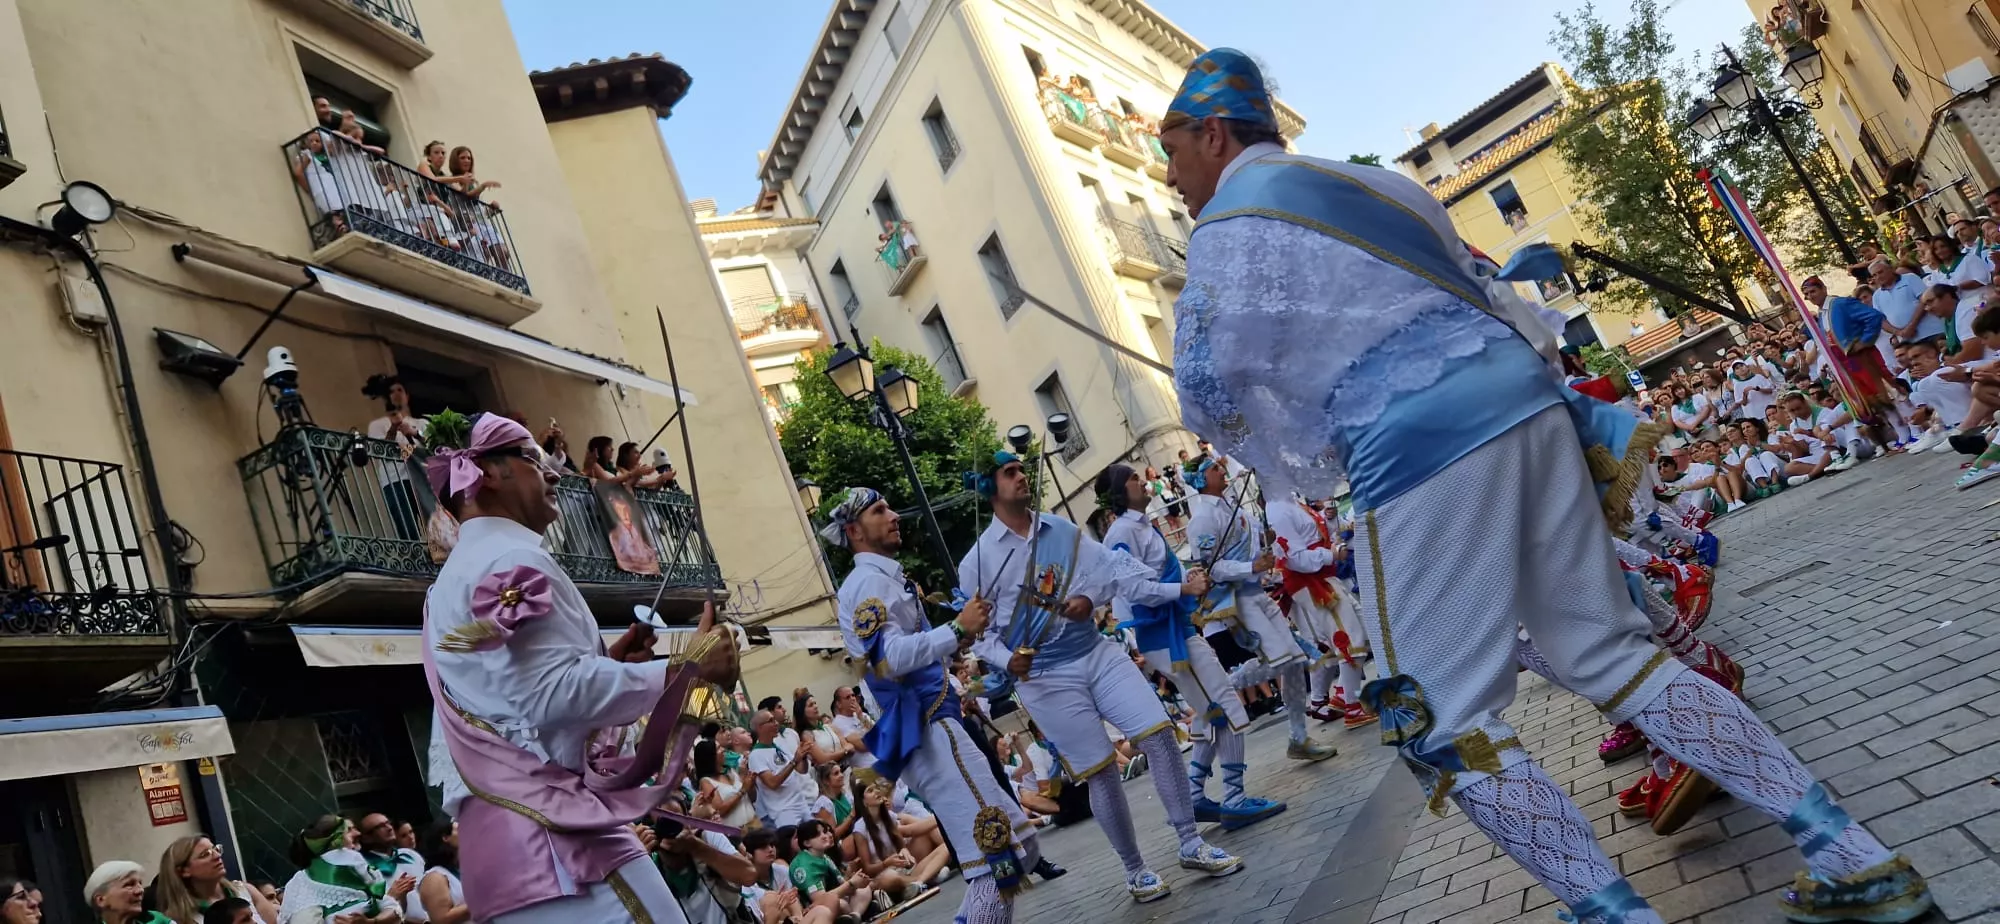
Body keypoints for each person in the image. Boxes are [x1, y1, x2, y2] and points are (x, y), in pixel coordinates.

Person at [1157, 47, 1928, 924]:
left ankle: (1611, 912)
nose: (1174, 178)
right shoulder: (1381, 188)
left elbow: (1212, 392)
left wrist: (1287, 410)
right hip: (1525, 402)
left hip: (1418, 453)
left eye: (1174, 153)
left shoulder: (1225, 230)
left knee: (1438, 720)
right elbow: (1485, 292)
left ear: (1215, 134)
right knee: (1613, 654)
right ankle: (1852, 855)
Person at [420, 411, 738, 923]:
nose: (554, 472)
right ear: (491, 474)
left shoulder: (448, 584)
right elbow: (548, 696)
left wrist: (608, 662)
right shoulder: (508, 562)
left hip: (504, 853)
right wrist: (685, 668)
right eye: (533, 457)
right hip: (558, 845)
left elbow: (510, 699)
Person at [957, 453, 1242, 904]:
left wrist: (1090, 598)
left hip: (1095, 651)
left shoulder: (1064, 532)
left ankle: (1190, 842)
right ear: (989, 489)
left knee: (1159, 733)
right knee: (1101, 773)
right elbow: (982, 635)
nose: (1020, 476)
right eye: (1009, 472)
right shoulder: (976, 562)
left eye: (1020, 469)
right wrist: (1007, 660)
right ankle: (1135, 869)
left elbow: (1111, 574)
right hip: (1045, 678)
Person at [821, 485, 1041, 923]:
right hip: (927, 729)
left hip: (938, 724)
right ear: (854, 531)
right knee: (995, 853)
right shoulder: (866, 583)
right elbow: (890, 658)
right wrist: (957, 630)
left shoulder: (883, 578)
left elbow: (908, 652)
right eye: (880, 510)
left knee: (1018, 844)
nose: (894, 515)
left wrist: (959, 635)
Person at [1094, 463, 1287, 832]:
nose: (1142, 481)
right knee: (1225, 705)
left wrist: (1190, 578)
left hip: (1174, 630)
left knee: (1207, 711)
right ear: (1121, 492)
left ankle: (1196, 795)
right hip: (1162, 635)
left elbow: (1159, 575)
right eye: (1134, 478)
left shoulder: (1139, 527)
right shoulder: (1120, 533)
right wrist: (1183, 589)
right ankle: (1233, 798)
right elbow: (1135, 590)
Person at [1182, 457, 1341, 760]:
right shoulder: (1202, 518)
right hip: (1237, 600)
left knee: (1294, 662)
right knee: (1282, 659)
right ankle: (1219, 689)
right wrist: (1250, 565)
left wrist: (1263, 549)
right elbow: (1211, 568)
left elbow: (1248, 548)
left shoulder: (1233, 507)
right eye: (1213, 469)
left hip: (1258, 593)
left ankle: (1299, 737)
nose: (1221, 470)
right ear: (1201, 480)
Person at [1266, 487, 1375, 728]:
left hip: (1324, 577)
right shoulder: (1278, 508)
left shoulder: (1291, 500)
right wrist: (1331, 554)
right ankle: (1352, 706)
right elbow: (1294, 558)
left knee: (1358, 635)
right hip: (1312, 582)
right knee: (1347, 644)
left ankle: (1341, 697)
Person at [275, 816, 405, 923]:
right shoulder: (350, 859)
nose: (358, 833)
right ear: (335, 840)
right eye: (348, 830)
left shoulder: (297, 883)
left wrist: (370, 921)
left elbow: (393, 909)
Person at [361, 374, 430, 543]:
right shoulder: (377, 425)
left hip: (423, 478)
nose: (396, 394)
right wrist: (393, 428)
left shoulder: (422, 423)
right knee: (406, 527)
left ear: (407, 396)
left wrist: (415, 433)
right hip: (395, 480)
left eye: (400, 390)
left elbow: (434, 448)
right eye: (392, 391)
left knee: (434, 523)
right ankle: (414, 562)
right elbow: (380, 450)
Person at [155, 835, 278, 924]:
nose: (217, 856)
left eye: (215, 849)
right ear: (183, 871)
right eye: (205, 854)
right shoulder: (178, 919)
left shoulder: (245, 890)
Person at [786, 821, 872, 920]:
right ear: (807, 843)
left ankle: (855, 915)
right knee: (840, 903)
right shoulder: (802, 865)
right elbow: (821, 899)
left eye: (824, 832)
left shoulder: (823, 856)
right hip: (815, 909)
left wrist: (856, 881)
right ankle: (859, 913)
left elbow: (842, 884)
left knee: (864, 890)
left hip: (837, 898)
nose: (825, 836)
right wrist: (851, 883)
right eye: (818, 834)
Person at [748, 710, 816, 829]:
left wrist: (803, 755)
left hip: (801, 803)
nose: (776, 723)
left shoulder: (779, 746)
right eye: (771, 721)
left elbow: (801, 770)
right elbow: (772, 783)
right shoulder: (756, 755)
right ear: (760, 727)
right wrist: (795, 760)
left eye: (775, 720)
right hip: (784, 810)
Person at [354, 814, 421, 921]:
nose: (389, 828)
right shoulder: (364, 867)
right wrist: (393, 896)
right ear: (367, 838)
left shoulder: (410, 855)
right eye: (380, 827)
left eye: (388, 823)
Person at [693, 739, 759, 831]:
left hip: (754, 825)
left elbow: (752, 798)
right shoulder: (706, 782)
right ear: (710, 756)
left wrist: (750, 784)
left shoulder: (731, 771)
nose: (723, 750)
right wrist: (742, 791)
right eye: (718, 748)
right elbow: (719, 810)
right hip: (735, 832)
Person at [414, 822, 467, 924]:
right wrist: (483, 900)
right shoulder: (434, 877)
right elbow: (441, 919)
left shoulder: (465, 869)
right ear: (446, 837)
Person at [85, 863, 170, 924]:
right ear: (101, 900)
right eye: (129, 885)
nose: (140, 890)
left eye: (140, 883)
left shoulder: (157, 920)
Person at [793, 693, 850, 768]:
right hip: (828, 775)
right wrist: (845, 751)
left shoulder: (829, 726)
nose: (816, 706)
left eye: (815, 703)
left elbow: (850, 746)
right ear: (802, 712)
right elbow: (823, 759)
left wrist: (841, 752)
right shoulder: (806, 735)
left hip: (846, 768)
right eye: (811, 705)